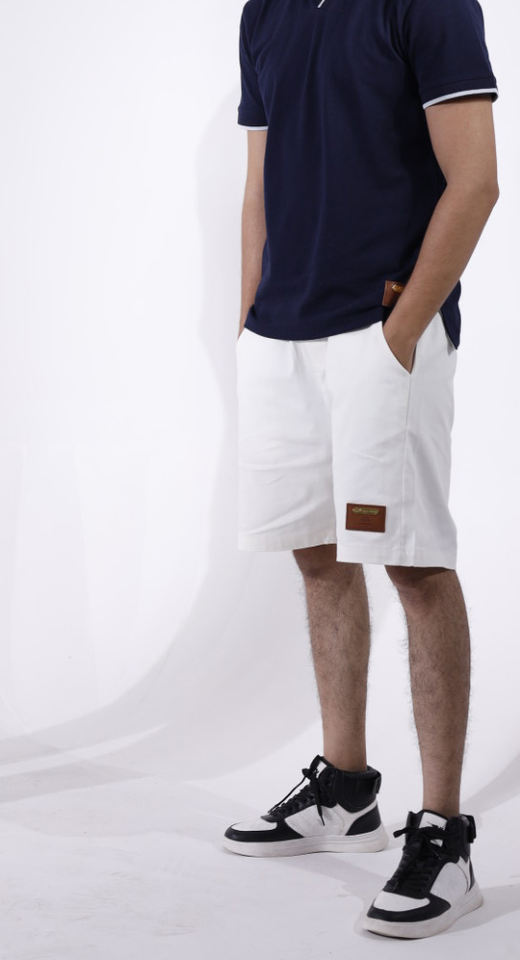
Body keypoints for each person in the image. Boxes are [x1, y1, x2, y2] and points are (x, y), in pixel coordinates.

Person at [224, 0, 499, 940]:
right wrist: (249, 318)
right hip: (281, 335)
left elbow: (476, 181)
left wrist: (403, 330)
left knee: (414, 564)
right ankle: (346, 789)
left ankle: (445, 833)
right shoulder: (264, 11)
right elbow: (258, 180)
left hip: (380, 331)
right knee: (316, 553)